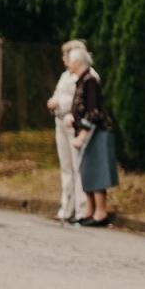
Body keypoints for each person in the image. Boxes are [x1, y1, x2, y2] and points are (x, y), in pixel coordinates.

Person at [66, 44, 116, 227]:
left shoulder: (90, 80)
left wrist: (83, 135)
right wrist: (73, 119)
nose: (68, 65)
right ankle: (89, 210)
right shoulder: (80, 80)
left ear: (78, 62)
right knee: (86, 171)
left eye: (70, 61)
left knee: (97, 171)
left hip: (96, 133)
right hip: (85, 133)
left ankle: (101, 213)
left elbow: (93, 111)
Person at [46, 39, 94, 224]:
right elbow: (58, 93)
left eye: (67, 55)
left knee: (77, 167)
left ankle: (81, 209)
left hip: (74, 123)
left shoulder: (86, 76)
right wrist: (53, 102)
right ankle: (66, 207)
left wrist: (62, 104)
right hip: (60, 122)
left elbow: (80, 100)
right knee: (66, 167)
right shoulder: (65, 75)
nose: (64, 59)